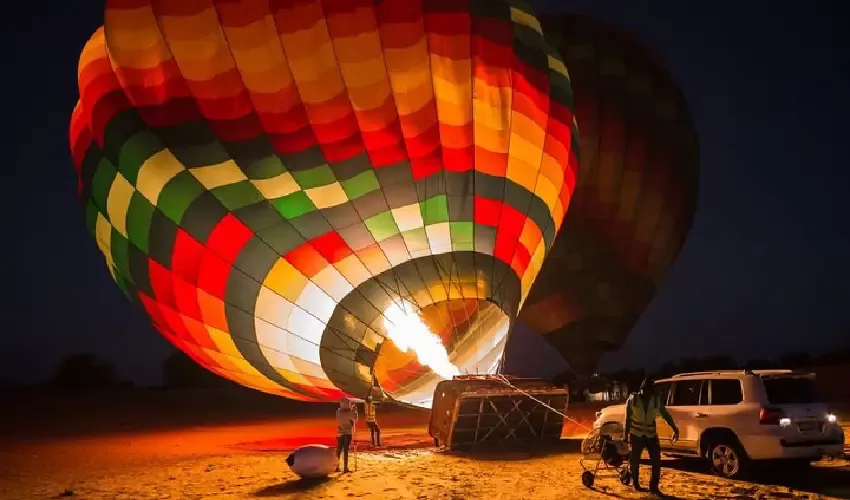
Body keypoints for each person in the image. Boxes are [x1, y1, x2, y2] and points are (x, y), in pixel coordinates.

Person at [624, 376, 679, 496]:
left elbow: (665, 414)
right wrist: (625, 435)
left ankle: (653, 487)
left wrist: (674, 428)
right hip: (636, 434)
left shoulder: (655, 400)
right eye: (647, 391)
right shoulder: (632, 400)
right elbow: (627, 419)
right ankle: (636, 484)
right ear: (641, 390)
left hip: (651, 435)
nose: (649, 394)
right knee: (635, 461)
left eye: (651, 391)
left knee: (656, 461)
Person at [335, 396, 358, 473]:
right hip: (347, 433)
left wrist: (351, 408)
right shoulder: (349, 413)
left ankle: (337, 467)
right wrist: (354, 410)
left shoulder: (338, 412)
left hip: (339, 433)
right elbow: (355, 418)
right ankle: (345, 468)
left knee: (338, 451)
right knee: (345, 451)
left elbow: (346, 413)